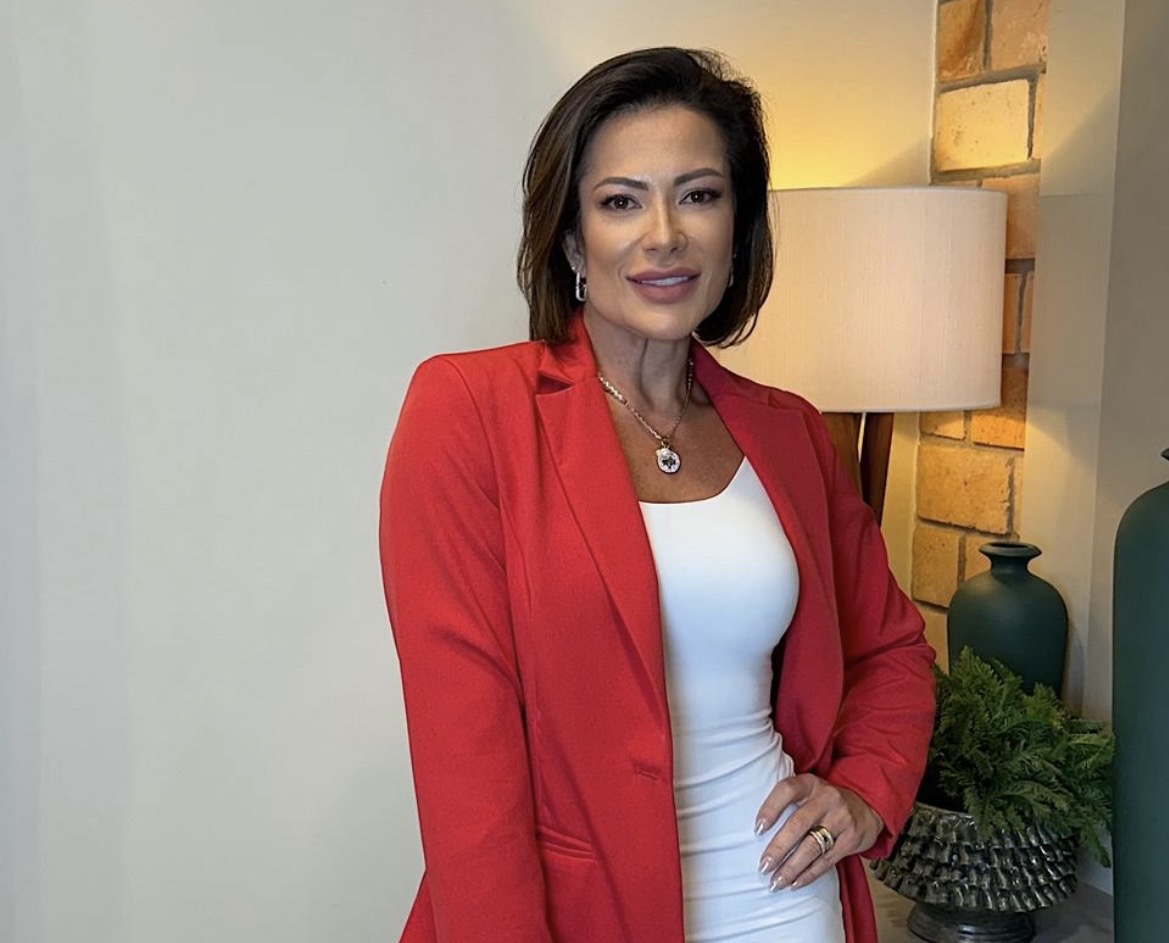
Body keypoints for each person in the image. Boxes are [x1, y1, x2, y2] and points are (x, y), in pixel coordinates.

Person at [380, 47, 935, 943]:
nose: (665, 234)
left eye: (699, 195)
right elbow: (462, 759)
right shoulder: (469, 412)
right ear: (571, 240)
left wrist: (865, 791)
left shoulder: (791, 432)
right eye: (620, 201)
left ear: (736, 228)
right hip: (577, 916)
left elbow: (891, 650)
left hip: (784, 902)